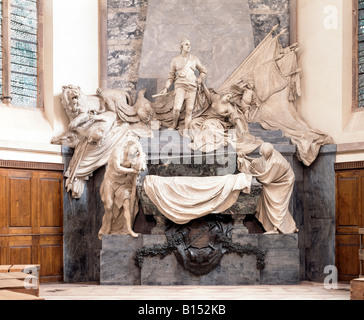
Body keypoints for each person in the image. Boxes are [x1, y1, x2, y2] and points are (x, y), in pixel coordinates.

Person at [159, 38, 207, 130]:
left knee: (189, 110)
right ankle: (174, 124)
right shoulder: (175, 60)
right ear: (181, 47)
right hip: (180, 86)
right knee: (177, 108)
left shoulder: (194, 59)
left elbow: (203, 71)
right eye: (186, 44)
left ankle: (186, 129)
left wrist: (200, 78)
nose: (189, 46)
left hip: (192, 87)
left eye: (189, 45)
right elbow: (171, 76)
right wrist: (166, 88)